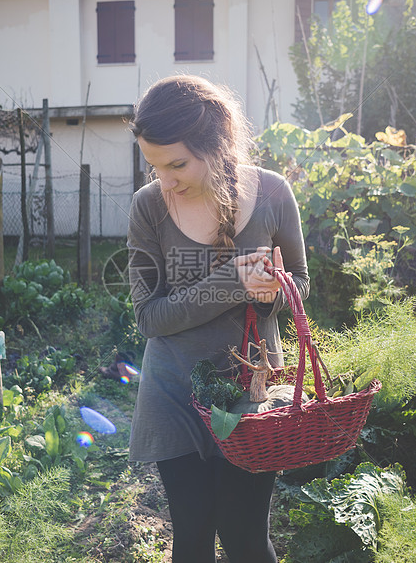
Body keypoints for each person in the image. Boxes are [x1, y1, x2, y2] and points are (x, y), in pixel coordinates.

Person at [126, 74, 309, 563]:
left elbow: (300, 288)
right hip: (173, 391)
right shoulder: (148, 208)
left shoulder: (273, 193)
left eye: (177, 164)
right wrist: (233, 281)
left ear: (218, 140)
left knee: (245, 535)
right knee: (192, 534)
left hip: (250, 394)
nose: (165, 180)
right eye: (154, 166)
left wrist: (271, 292)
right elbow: (149, 318)